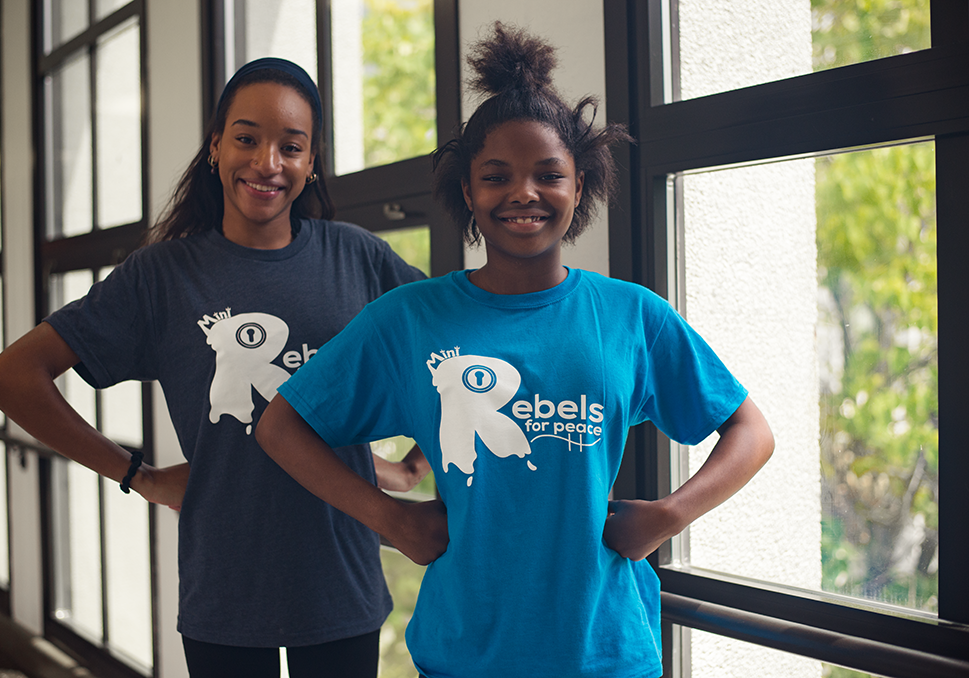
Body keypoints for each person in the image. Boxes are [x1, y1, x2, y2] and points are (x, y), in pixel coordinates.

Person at [255, 23, 774, 678]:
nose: (523, 193)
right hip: (465, 653)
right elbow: (280, 427)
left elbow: (750, 431)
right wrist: (390, 518)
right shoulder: (412, 320)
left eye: (548, 175)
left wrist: (669, 515)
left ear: (579, 187)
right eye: (496, 176)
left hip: (605, 653)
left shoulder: (631, 315)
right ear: (468, 192)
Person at [0, 58, 428, 678]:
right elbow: (9, 379)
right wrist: (140, 475)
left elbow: (453, 348)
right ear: (216, 147)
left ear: (311, 162)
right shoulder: (161, 276)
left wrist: (411, 464)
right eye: (247, 138)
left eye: (290, 147)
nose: (267, 162)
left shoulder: (357, 258)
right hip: (225, 592)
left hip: (340, 582)